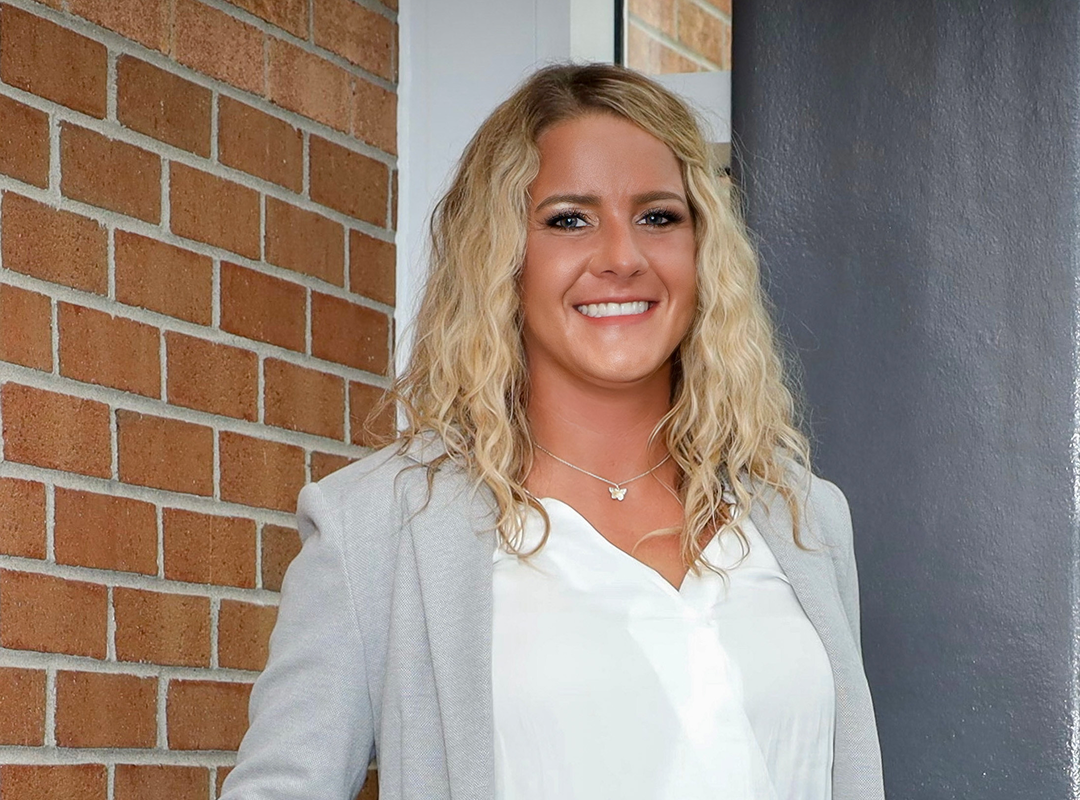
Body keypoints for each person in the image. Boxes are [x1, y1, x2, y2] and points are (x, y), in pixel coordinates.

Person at [219, 63, 884, 800]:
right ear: (501, 257)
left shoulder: (802, 519)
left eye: (659, 217)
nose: (622, 258)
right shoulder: (381, 529)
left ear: (703, 253)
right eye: (570, 219)